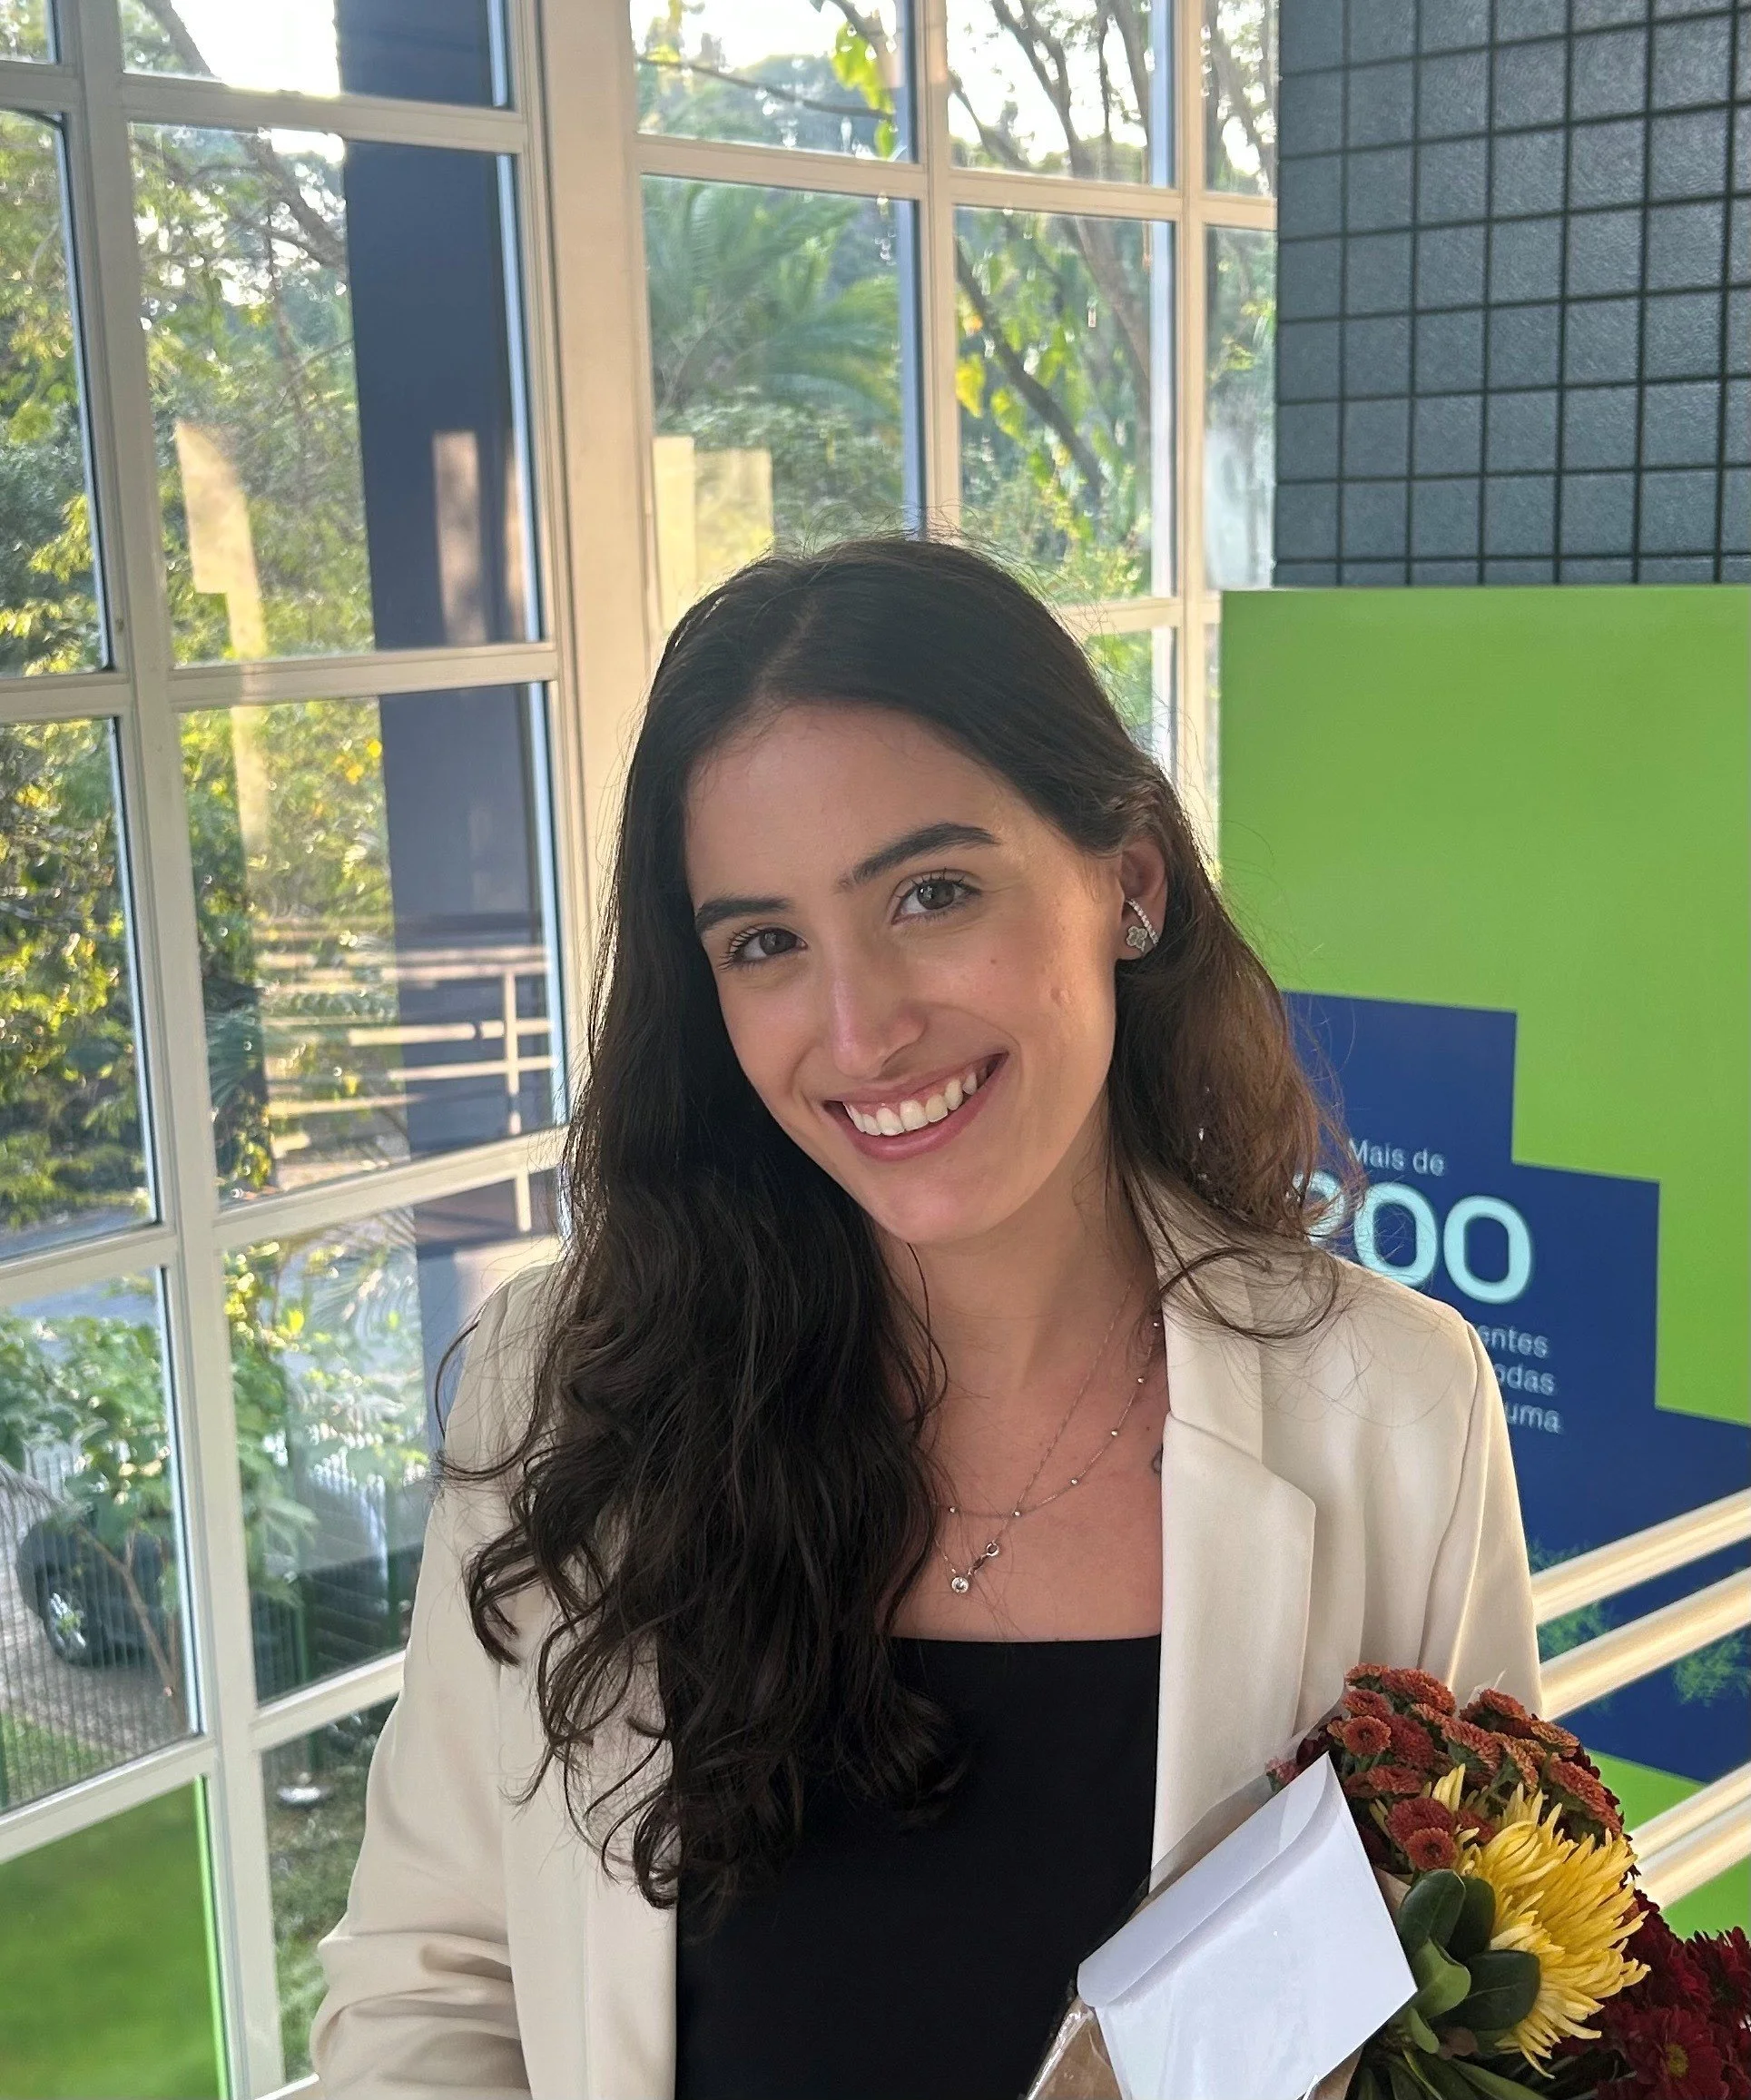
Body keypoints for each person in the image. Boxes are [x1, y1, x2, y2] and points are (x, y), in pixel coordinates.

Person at [311, 539, 1540, 2100]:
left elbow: (1489, 2012)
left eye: (933, 892)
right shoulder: (559, 1392)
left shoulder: (1398, 1413)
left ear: (1131, 885)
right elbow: (434, 1992)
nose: (861, 1029)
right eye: (765, 942)